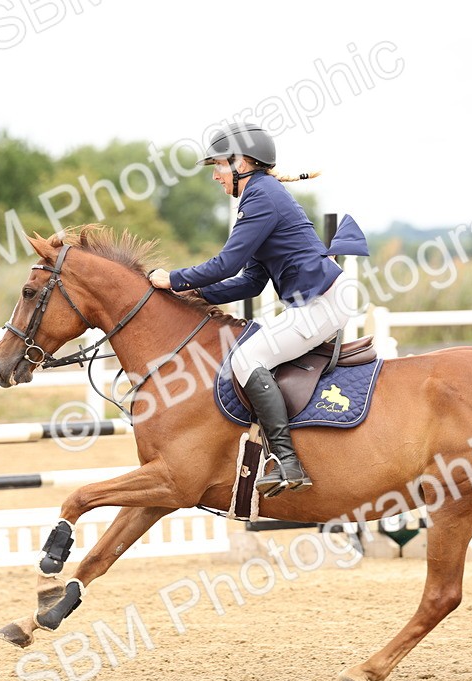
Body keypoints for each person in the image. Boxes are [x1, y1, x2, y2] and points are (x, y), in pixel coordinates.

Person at [149, 123, 362, 497]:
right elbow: (249, 282)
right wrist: (194, 291)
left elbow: (227, 264)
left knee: (245, 359)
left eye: (218, 165)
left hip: (320, 302)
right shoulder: (262, 194)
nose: (215, 175)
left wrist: (175, 279)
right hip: (316, 299)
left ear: (242, 162)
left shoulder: (261, 197)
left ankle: (286, 460)